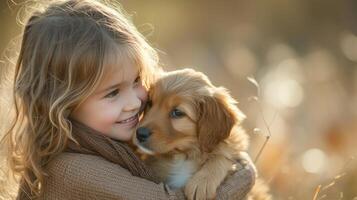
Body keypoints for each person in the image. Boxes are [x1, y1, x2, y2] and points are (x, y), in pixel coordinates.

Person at [1, 0, 256, 199]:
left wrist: (221, 158)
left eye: (136, 81)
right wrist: (242, 171)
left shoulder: (115, 142)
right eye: (113, 93)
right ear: (62, 103)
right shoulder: (72, 170)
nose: (136, 103)